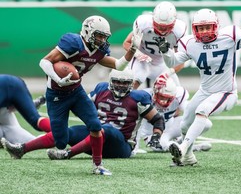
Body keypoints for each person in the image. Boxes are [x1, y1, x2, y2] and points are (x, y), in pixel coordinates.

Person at [157, 8, 241, 166]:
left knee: (202, 110)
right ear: (195, 28)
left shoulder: (229, 36)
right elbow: (172, 62)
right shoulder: (190, 43)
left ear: (216, 26)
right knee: (185, 123)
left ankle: (183, 148)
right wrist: (166, 52)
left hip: (226, 92)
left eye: (208, 27)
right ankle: (188, 157)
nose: (205, 31)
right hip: (205, 91)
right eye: (201, 28)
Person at [37, 15, 135, 175]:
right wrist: (58, 79)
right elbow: (44, 61)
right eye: (100, 35)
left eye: (105, 36)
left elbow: (119, 65)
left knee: (95, 126)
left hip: (76, 91)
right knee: (60, 142)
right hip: (56, 94)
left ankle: (98, 165)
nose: (102, 40)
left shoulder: (98, 50)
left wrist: (132, 50)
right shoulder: (73, 42)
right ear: (88, 32)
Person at [1, 70, 165, 163]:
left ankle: (67, 154)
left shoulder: (138, 98)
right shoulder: (101, 89)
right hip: (94, 140)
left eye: (124, 83)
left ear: (131, 85)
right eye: (117, 82)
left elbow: (157, 119)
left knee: (105, 129)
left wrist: (156, 136)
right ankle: (22, 149)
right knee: (67, 132)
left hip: (121, 146)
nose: (120, 86)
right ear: (110, 81)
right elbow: (80, 104)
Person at [135, 76, 212, 154]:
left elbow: (189, 111)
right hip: (152, 133)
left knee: (205, 123)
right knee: (160, 145)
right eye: (161, 97)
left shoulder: (179, 94)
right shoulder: (145, 96)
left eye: (167, 98)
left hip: (171, 127)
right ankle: (191, 147)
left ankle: (182, 142)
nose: (163, 101)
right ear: (155, 91)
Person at [123, 1, 186, 89]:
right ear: (153, 20)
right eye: (159, 26)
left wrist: (167, 73)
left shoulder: (178, 31)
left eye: (167, 27)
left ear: (174, 24)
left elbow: (181, 61)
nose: (162, 31)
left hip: (161, 64)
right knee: (132, 84)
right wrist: (138, 54)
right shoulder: (143, 24)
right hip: (141, 61)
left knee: (177, 90)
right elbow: (126, 43)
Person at [0, 74, 50, 144]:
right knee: (35, 121)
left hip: (7, 90)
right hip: (16, 82)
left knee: (35, 121)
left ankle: (62, 133)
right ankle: (64, 132)